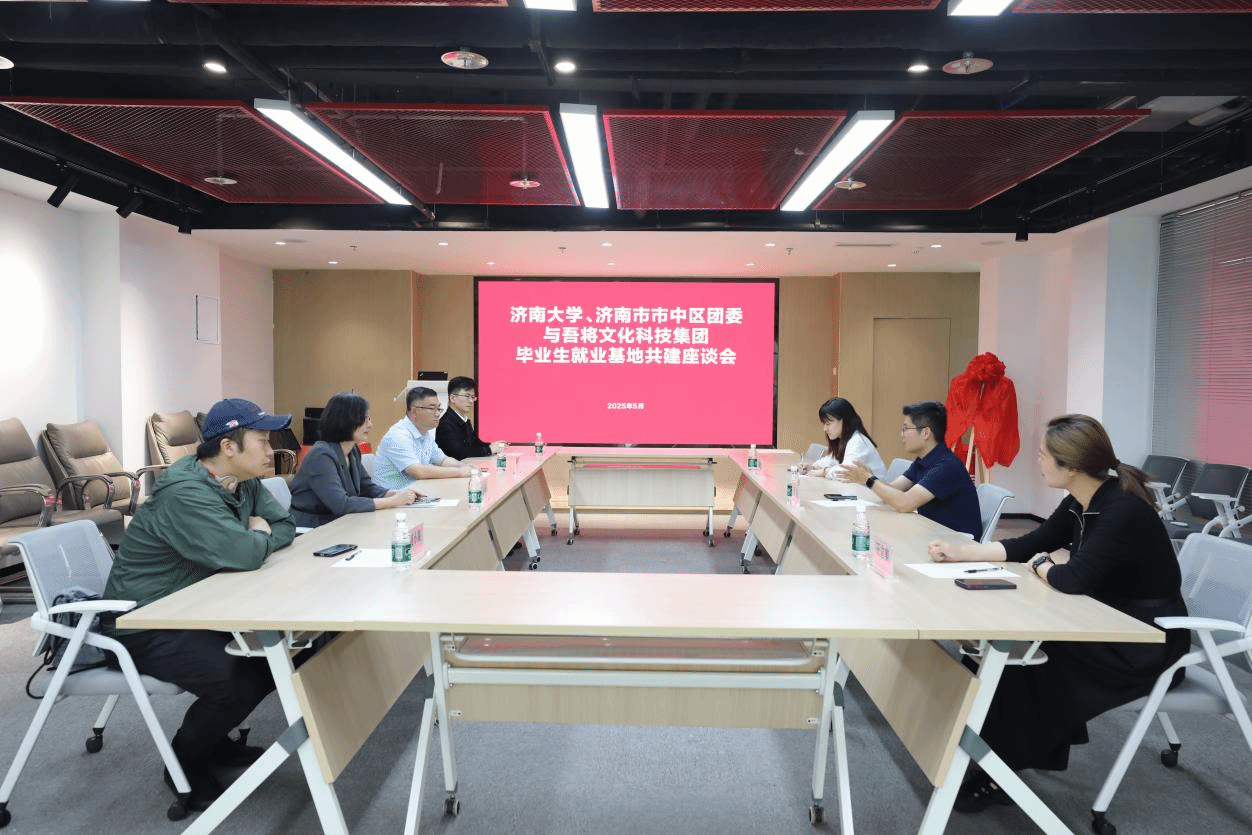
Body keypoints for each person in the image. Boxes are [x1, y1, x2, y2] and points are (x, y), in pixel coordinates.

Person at [927, 414, 1189, 812]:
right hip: (1104, 620)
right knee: (1008, 653)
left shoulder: (1122, 510)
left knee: (1030, 664)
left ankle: (1005, 768)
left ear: (1071, 467)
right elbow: (1031, 543)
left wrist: (1041, 565)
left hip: (1146, 641)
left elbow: (1071, 578)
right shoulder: (1082, 501)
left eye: (1043, 455)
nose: (1038, 461)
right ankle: (991, 752)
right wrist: (960, 552)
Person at [103, 398, 297, 811]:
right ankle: (184, 761)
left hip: (194, 606)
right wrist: (258, 537)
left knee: (271, 659)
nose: (271, 450)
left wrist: (257, 537)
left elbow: (285, 524)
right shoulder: (186, 494)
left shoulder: (243, 479)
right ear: (228, 446)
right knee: (236, 676)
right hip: (142, 620)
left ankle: (213, 741)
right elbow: (245, 553)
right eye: (263, 441)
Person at [837, 400, 982, 540]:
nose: (902, 434)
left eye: (906, 429)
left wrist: (869, 479)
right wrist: (868, 477)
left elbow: (904, 503)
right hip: (933, 533)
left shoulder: (946, 466)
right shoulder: (923, 460)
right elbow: (892, 490)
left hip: (957, 543)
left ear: (925, 433)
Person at [289, 392, 420, 528]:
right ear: (344, 420)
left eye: (369, 418)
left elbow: (367, 487)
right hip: (313, 527)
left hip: (340, 522)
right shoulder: (321, 456)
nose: (370, 424)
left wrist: (395, 494)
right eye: (364, 419)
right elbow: (341, 504)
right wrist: (393, 501)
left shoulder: (352, 450)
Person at [372, 386, 475, 490]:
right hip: (392, 497)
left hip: (415, 492)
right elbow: (418, 472)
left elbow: (442, 461)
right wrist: (460, 472)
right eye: (432, 408)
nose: (438, 414)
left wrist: (465, 467)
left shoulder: (424, 433)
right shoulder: (398, 435)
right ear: (414, 411)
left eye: (439, 408)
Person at [799, 397, 886, 480]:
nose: (825, 429)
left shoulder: (857, 441)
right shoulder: (846, 439)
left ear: (844, 420)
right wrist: (814, 467)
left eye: (828, 424)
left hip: (873, 490)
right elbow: (832, 460)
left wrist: (823, 472)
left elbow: (846, 472)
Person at [435, 375, 506, 461]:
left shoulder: (464, 420)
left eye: (473, 397)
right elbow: (459, 453)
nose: (471, 401)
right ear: (452, 398)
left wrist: (493, 445)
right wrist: (489, 450)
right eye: (467, 396)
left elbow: (474, 444)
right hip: (452, 468)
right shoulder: (446, 423)